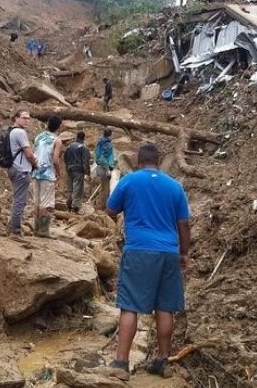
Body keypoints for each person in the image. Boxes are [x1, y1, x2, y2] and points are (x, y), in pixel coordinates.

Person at [95, 143, 191, 381]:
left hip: (139, 250)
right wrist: (184, 253)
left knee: (130, 306)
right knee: (165, 307)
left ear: (139, 161)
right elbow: (184, 224)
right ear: (158, 162)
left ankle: (121, 363)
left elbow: (109, 210)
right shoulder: (174, 186)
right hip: (168, 252)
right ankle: (162, 361)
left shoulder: (130, 181)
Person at [6, 109, 38, 236]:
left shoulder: (10, 131)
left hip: (13, 168)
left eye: (28, 118)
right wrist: (36, 164)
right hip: (21, 170)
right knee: (20, 201)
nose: (27, 121)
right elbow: (29, 154)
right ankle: (15, 231)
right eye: (24, 118)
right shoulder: (20, 132)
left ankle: (12, 227)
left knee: (18, 199)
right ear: (16, 118)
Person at [31, 116, 63, 237]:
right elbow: (55, 160)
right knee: (46, 202)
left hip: (36, 171)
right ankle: (43, 231)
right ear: (59, 126)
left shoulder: (39, 137)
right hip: (48, 173)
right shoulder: (57, 140)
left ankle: (36, 229)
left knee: (37, 201)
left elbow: (34, 153)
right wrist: (58, 173)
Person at [63, 131, 90, 213]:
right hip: (78, 170)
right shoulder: (83, 147)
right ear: (83, 138)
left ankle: (69, 205)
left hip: (69, 169)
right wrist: (87, 173)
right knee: (77, 188)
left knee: (70, 188)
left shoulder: (69, 146)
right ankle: (75, 207)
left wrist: (67, 166)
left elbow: (65, 158)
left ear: (76, 137)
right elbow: (85, 161)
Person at [94, 128, 115, 210]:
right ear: (110, 134)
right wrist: (108, 170)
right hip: (106, 168)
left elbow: (97, 154)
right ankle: (103, 207)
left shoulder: (99, 142)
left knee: (103, 187)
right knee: (106, 189)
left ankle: (100, 205)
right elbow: (107, 158)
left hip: (99, 166)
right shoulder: (108, 144)